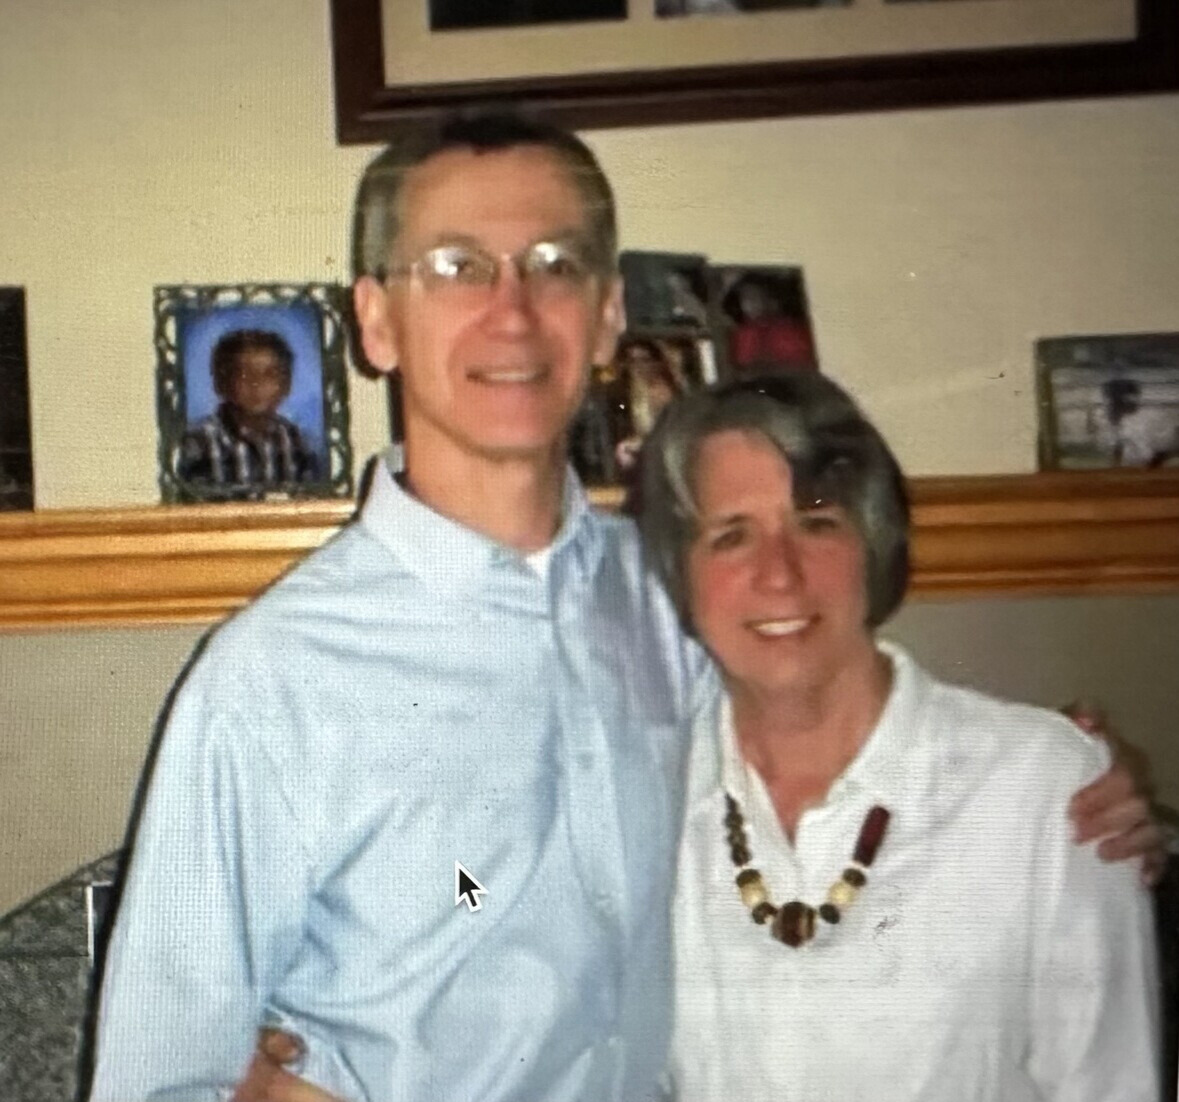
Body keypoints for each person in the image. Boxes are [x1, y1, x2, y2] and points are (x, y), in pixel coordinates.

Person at [89, 114, 1158, 1102]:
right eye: (456, 267)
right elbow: (155, 1074)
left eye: (555, 266)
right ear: (377, 320)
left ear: (606, 316)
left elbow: (840, 724)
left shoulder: (676, 600)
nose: (512, 311)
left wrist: (1087, 792)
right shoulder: (274, 680)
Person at [637, 373, 1160, 1099]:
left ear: (873, 543)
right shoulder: (644, 804)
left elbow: (1112, 1084)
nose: (779, 574)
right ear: (679, 580)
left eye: (817, 523)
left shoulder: (1039, 791)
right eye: (731, 536)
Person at [177, 328, 319, 497]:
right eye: (245, 375)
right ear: (221, 383)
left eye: (269, 375)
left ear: (286, 385)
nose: (256, 385)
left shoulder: (298, 442)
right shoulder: (198, 442)